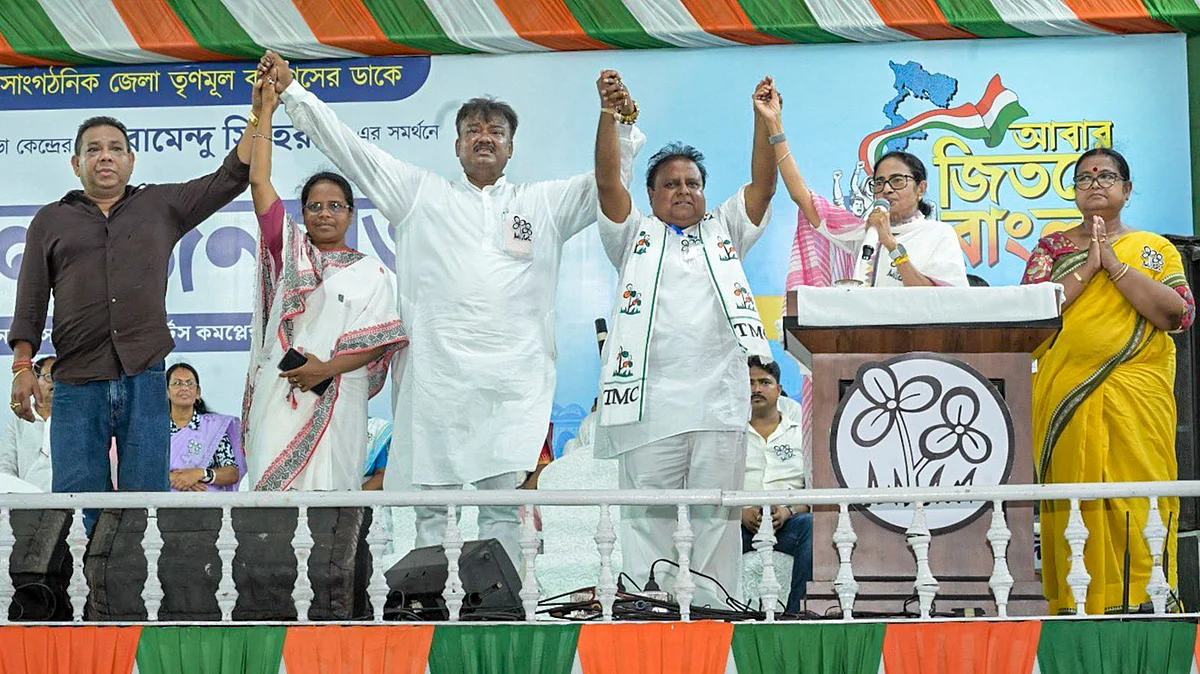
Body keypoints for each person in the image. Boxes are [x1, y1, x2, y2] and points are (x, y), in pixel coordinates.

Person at [258, 52, 644, 564]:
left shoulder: (544, 203)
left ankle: (499, 606)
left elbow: (607, 179)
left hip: (512, 383)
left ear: (511, 147)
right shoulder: (420, 195)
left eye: (496, 131)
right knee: (431, 509)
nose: (485, 137)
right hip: (435, 379)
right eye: (473, 130)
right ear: (457, 145)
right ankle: (430, 601)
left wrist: (619, 124)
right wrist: (293, 93)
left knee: (502, 508)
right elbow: (350, 151)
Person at [592, 75, 777, 606]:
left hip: (717, 403)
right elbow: (608, 185)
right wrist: (609, 115)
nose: (683, 191)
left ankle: (716, 609)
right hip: (649, 409)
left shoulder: (725, 231)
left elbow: (762, 188)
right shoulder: (633, 236)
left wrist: (764, 125)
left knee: (716, 515)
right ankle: (650, 609)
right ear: (651, 196)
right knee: (648, 517)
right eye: (670, 184)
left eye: (692, 183)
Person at [9, 113, 254, 511]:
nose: (105, 157)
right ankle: (82, 575)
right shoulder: (50, 220)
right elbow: (31, 299)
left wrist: (261, 111)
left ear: (131, 160)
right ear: (76, 163)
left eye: (115, 149)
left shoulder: (160, 205)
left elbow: (230, 177)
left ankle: (134, 576)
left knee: (144, 502)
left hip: (144, 376)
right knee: (76, 500)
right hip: (76, 379)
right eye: (93, 150)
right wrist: (22, 366)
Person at [1022, 147, 1194, 615]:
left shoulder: (1155, 249)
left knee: (1139, 501)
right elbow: (1028, 318)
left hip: (1138, 400)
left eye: (1106, 176)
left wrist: (1115, 265)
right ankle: (1076, 608)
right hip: (1065, 398)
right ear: (1074, 191)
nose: (1095, 183)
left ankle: (1147, 601)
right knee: (1075, 505)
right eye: (1084, 178)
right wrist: (1089, 266)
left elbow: (1178, 313)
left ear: (1127, 188)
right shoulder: (1053, 249)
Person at [243, 75, 408, 492]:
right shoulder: (291, 252)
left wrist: (324, 369)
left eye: (335, 206)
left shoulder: (373, 274)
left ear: (351, 215)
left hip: (339, 400)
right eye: (314, 206)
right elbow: (259, 183)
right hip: (281, 393)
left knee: (332, 506)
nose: (324, 214)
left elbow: (377, 341)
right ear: (303, 213)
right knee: (272, 502)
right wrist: (264, 111)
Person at [765, 106, 968, 288]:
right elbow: (802, 198)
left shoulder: (938, 234)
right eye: (879, 183)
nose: (886, 189)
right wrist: (775, 127)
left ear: (920, 188)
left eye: (897, 180)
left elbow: (943, 301)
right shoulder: (863, 234)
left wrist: (890, 243)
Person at [742, 356, 810, 614]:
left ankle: (796, 614)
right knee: (710, 532)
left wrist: (789, 511)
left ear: (779, 389)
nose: (756, 389)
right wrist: (740, 514)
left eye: (764, 382)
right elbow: (715, 489)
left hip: (788, 523)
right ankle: (721, 613)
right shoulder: (730, 436)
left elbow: (814, 492)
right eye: (749, 383)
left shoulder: (801, 433)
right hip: (740, 526)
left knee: (814, 528)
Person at [167, 363, 244, 492]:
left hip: (207, 505)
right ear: (166, 392)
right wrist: (173, 478)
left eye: (190, 383)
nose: (184, 388)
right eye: (177, 383)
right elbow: (142, 469)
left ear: (198, 393)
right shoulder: (155, 428)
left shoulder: (214, 427)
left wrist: (199, 474)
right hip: (162, 505)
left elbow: (232, 473)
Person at [0, 356, 56, 491]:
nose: (55, 383)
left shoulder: (74, 420)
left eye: (60, 377)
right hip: (26, 503)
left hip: (67, 502)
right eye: (49, 376)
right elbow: (6, 466)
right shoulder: (17, 421)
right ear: (34, 380)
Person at [362, 417, 392, 490]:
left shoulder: (375, 429)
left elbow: (381, 474)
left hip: (363, 494)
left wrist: (354, 497)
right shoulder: (330, 430)